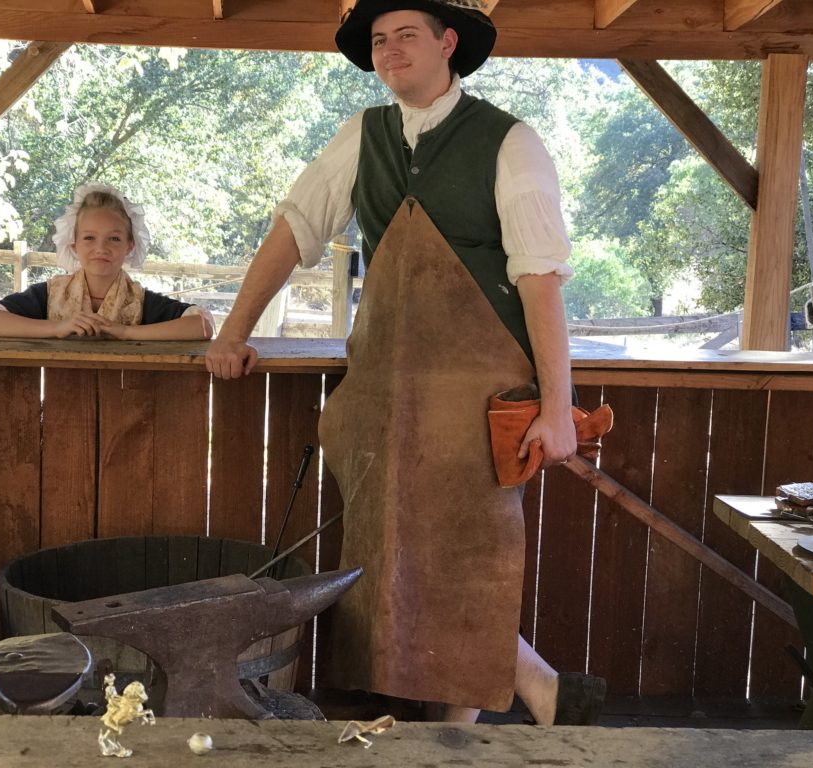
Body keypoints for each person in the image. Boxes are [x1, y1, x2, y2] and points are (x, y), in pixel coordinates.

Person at [205, 0, 605, 726]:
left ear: (449, 43)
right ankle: (529, 696)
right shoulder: (363, 137)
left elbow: (541, 281)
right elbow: (293, 230)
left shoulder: (510, 142)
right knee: (405, 560)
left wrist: (556, 406)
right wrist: (232, 331)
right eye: (379, 41)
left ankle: (513, 703)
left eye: (407, 37)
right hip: (384, 390)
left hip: (476, 391)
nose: (389, 52)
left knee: (465, 557)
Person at [0, 183, 214, 340]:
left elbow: (202, 327)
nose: (101, 248)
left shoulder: (141, 302)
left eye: (114, 238)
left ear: (130, 245)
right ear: (74, 244)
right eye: (89, 238)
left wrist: (126, 332)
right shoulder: (50, 295)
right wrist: (58, 327)